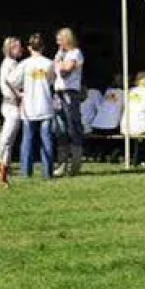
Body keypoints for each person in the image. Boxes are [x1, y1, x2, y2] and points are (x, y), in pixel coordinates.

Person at [14, 33, 56, 179]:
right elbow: (51, 82)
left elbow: (11, 80)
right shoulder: (49, 63)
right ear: (43, 47)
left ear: (29, 48)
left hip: (29, 106)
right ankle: (47, 173)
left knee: (27, 140)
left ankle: (26, 172)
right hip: (45, 105)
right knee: (47, 140)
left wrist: (19, 93)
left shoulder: (24, 64)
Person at [51, 27, 86, 177]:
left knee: (73, 127)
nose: (57, 43)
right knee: (60, 129)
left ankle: (75, 164)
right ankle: (61, 164)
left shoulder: (75, 53)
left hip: (70, 93)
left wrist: (59, 62)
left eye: (59, 39)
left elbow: (66, 72)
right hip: (58, 92)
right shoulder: (61, 54)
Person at [0, 36, 25, 186]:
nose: (21, 50)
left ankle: (2, 163)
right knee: (7, 138)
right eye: (18, 47)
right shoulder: (12, 65)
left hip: (9, 103)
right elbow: (10, 82)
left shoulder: (7, 64)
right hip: (12, 103)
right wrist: (19, 95)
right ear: (11, 49)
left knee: (8, 138)